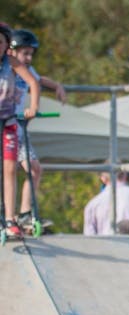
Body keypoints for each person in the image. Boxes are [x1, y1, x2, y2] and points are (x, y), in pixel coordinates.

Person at [9, 29, 66, 233]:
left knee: (34, 168)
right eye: (25, 53)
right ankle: (7, 216)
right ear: (12, 52)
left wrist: (57, 86)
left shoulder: (28, 70)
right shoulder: (6, 69)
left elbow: (38, 82)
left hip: (18, 128)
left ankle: (24, 214)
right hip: (5, 124)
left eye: (31, 54)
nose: (29, 58)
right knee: (7, 172)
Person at [0, 22, 39, 239]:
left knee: (10, 169)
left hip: (8, 122)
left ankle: (10, 217)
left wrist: (33, 107)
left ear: (7, 45)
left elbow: (34, 82)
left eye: (0, 43)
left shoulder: (12, 62)